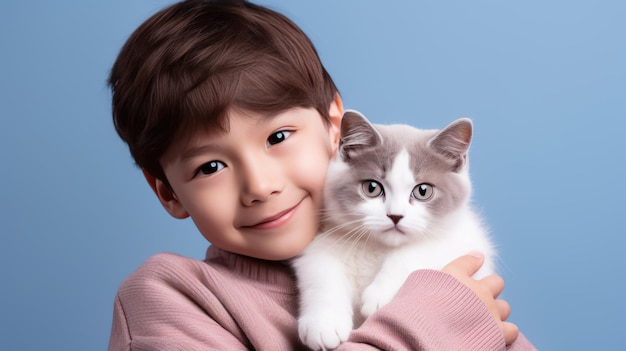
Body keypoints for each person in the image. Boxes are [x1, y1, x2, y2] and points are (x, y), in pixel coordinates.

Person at [107, 0, 537, 350]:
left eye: (278, 136)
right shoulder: (169, 297)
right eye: (211, 166)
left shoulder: (427, 262)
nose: (259, 185)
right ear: (168, 193)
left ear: (334, 128)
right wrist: (424, 328)